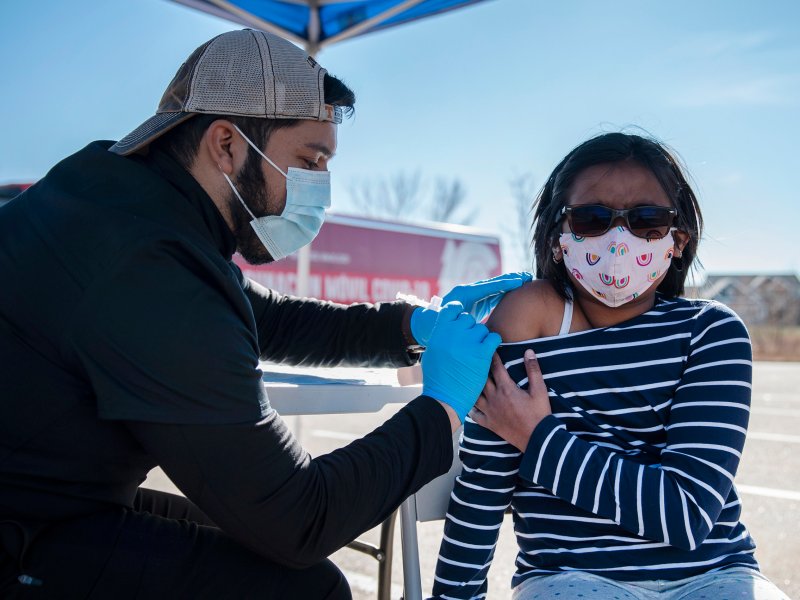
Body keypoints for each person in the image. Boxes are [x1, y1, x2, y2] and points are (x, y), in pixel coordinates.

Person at [0, 29, 530, 598]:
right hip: (27, 531)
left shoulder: (124, 199)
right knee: (307, 589)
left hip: (47, 495)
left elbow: (267, 319)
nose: (322, 186)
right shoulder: (149, 266)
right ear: (225, 144)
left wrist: (414, 325)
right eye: (310, 160)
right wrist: (443, 407)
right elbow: (297, 517)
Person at [431, 132, 789, 599]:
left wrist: (536, 438)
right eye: (592, 218)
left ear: (677, 240)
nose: (620, 238)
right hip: (570, 581)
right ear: (558, 238)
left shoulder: (711, 331)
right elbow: (481, 493)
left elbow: (685, 515)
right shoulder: (524, 328)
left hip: (716, 576)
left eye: (647, 220)